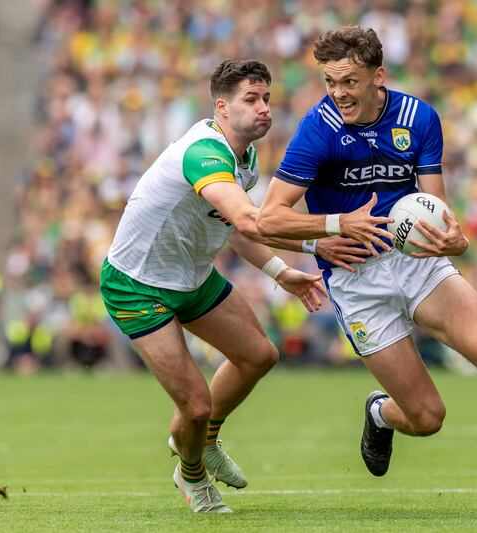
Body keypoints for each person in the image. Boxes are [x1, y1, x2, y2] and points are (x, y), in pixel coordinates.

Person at [257, 26, 477, 503]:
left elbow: (437, 210)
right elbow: (269, 219)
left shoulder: (419, 117)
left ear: (378, 76)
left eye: (348, 81)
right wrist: (334, 227)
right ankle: (380, 414)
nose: (338, 93)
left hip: (414, 263)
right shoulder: (318, 129)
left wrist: (454, 238)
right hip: (356, 279)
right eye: (330, 82)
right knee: (427, 418)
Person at [100, 59, 363, 513]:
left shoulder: (245, 160)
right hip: (138, 286)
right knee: (195, 407)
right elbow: (248, 219)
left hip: (192, 278)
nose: (264, 108)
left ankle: (207, 440)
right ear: (221, 107)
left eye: (266, 99)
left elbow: (237, 229)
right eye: (251, 99)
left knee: (259, 356)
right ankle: (193, 473)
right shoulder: (203, 151)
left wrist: (281, 272)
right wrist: (334, 227)